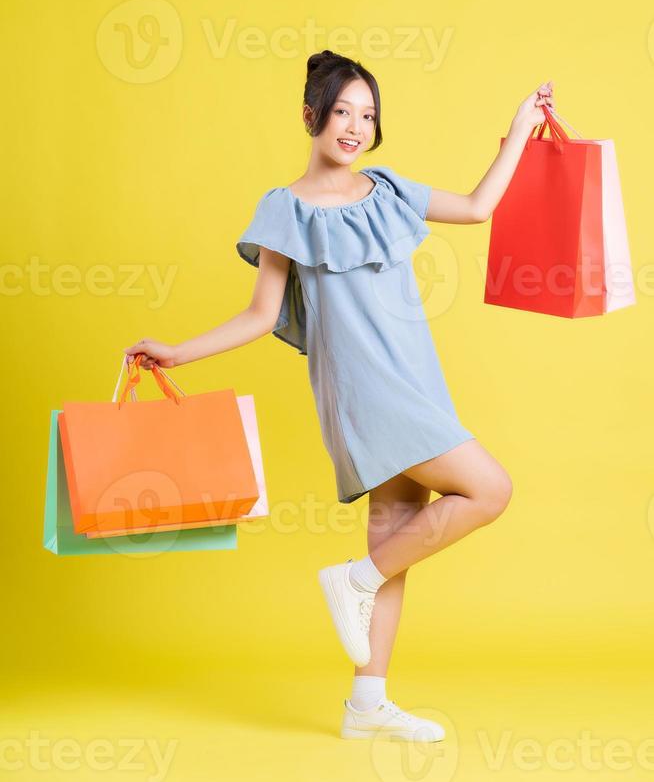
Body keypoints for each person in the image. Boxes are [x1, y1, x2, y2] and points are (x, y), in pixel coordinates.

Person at [124, 50, 555, 742]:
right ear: (311, 116)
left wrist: (517, 131)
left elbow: (476, 208)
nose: (355, 127)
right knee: (489, 490)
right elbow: (260, 315)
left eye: (368, 115)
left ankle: (366, 703)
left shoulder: (386, 189)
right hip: (365, 389)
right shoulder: (284, 208)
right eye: (343, 111)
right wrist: (180, 350)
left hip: (416, 377)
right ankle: (353, 580)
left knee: (396, 532)